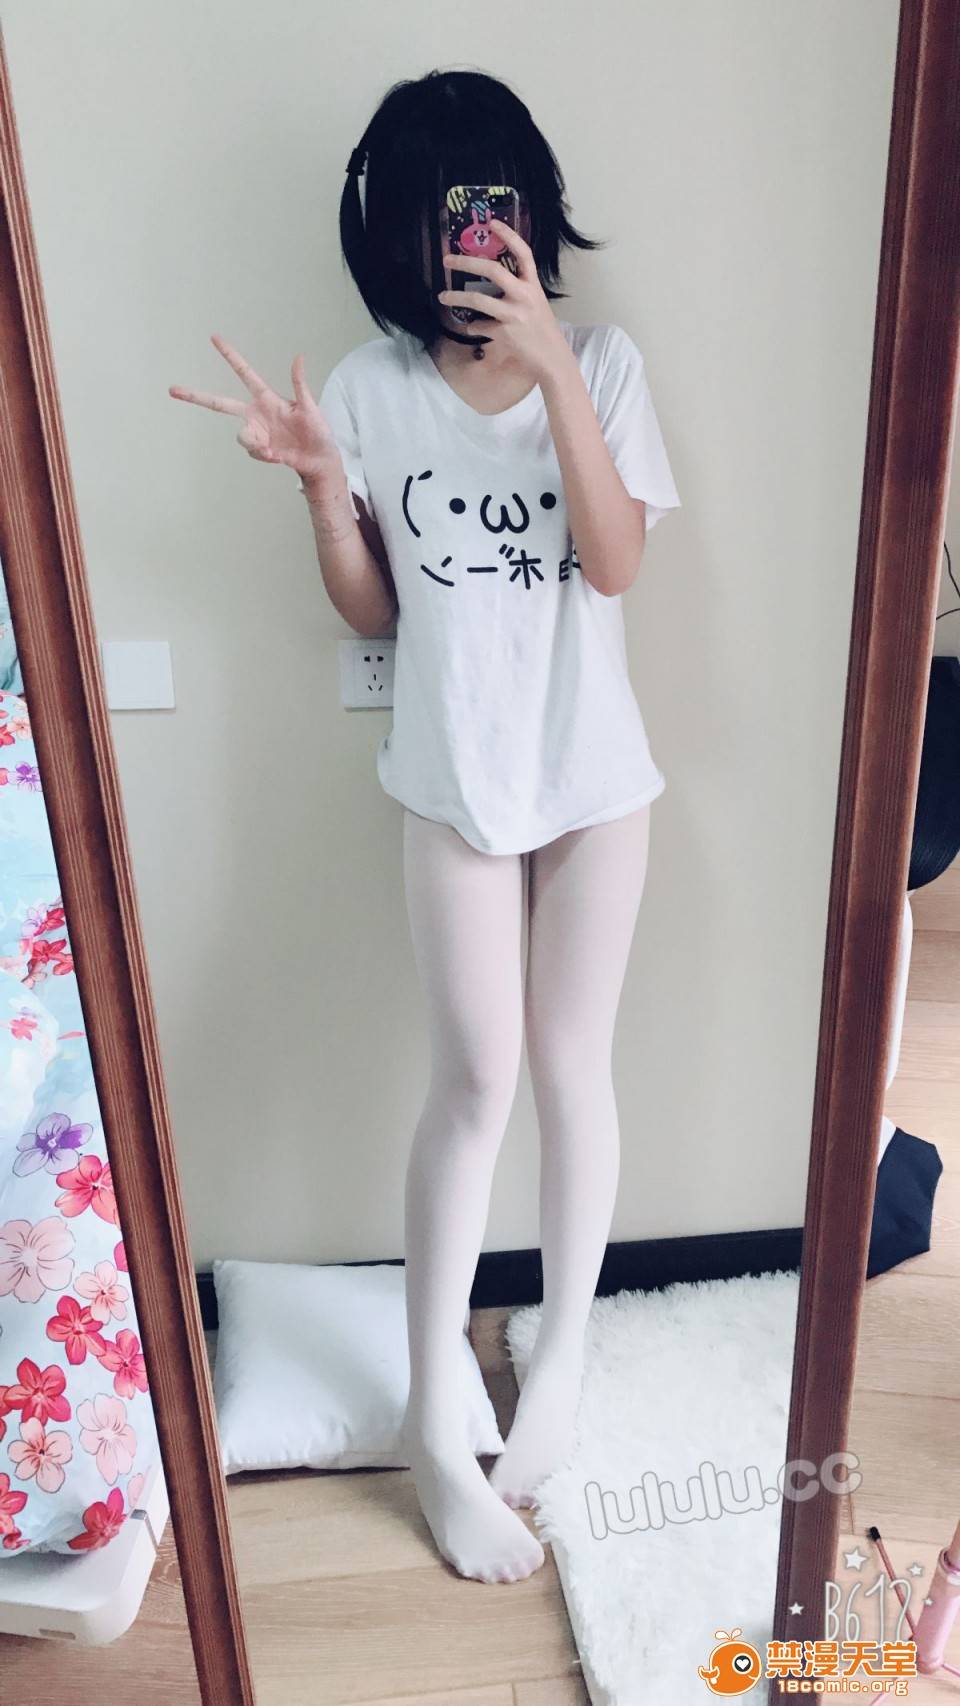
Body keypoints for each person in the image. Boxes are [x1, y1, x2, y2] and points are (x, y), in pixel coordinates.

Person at [170, 67, 681, 1586]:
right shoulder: (372, 386)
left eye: (493, 203)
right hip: (452, 777)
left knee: (575, 1069)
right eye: (442, 213)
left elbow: (615, 564)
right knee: (474, 1081)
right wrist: (324, 489)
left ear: (529, 210)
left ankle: (563, 1351)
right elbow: (375, 610)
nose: (471, 237)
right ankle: (433, 1432)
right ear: (398, 230)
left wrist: (554, 372)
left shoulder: (607, 362)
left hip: (593, 777)